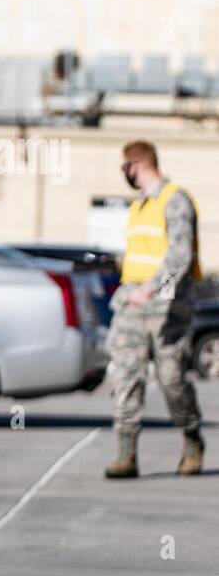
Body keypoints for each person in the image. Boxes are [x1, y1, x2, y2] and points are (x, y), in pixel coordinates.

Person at [104, 140, 204, 479]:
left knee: (172, 379)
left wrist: (154, 288)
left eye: (124, 168)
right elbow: (138, 257)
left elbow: (180, 256)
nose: (124, 175)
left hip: (167, 309)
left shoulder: (175, 200)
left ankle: (192, 437)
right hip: (132, 306)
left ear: (135, 165)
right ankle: (126, 454)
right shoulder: (139, 206)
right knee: (126, 376)